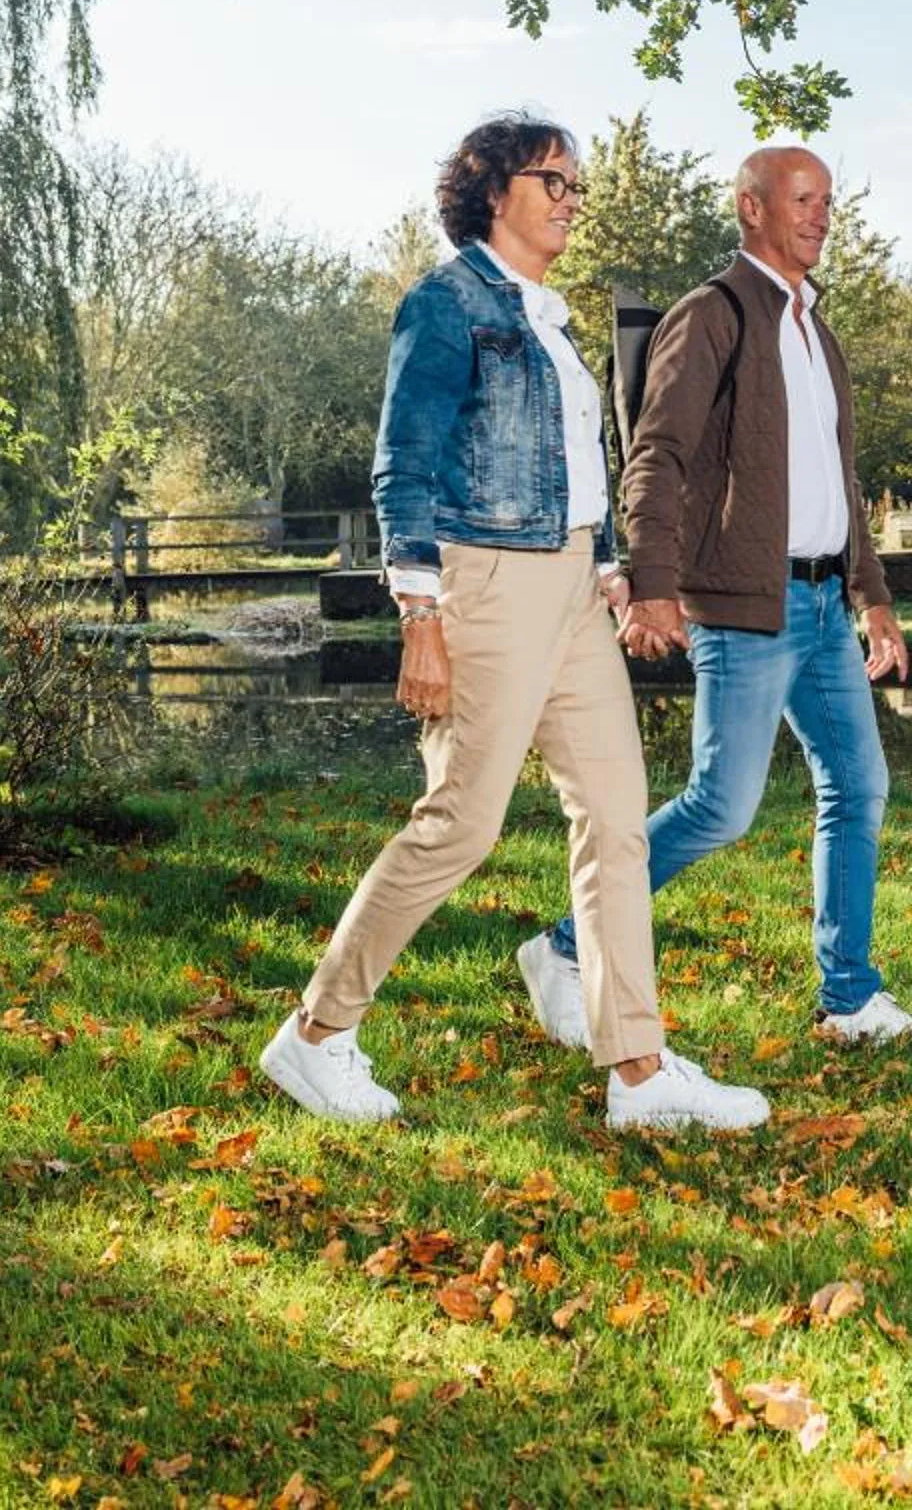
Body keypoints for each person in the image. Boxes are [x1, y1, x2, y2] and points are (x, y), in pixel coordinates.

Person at [259, 114, 770, 1132]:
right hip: (485, 585)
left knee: (618, 819)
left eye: (577, 183)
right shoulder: (447, 307)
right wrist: (420, 612)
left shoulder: (550, 318)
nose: (572, 197)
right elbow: (404, 460)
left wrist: (613, 566)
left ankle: (637, 1068)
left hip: (575, 587)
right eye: (554, 179)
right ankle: (316, 1035)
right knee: (460, 824)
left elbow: (572, 463)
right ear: (493, 189)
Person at [522, 145, 912, 1050]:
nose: (820, 216)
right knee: (721, 806)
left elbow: (840, 481)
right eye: (802, 199)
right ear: (751, 207)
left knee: (858, 785)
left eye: (828, 200)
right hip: (741, 610)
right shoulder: (712, 314)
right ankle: (565, 946)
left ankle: (848, 999)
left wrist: (872, 595)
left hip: (821, 608)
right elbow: (657, 455)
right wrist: (651, 584)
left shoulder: (815, 331)